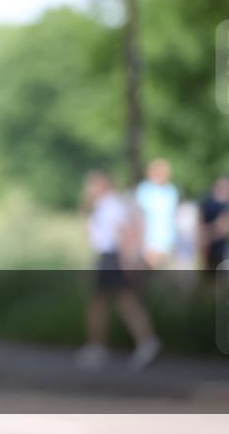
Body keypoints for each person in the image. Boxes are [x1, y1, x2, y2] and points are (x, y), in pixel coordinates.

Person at [76, 170, 161, 372]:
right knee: (110, 302)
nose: (89, 189)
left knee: (119, 302)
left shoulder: (112, 205)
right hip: (110, 257)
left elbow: (125, 233)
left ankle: (141, 342)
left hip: (113, 257)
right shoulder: (106, 204)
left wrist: (128, 261)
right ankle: (140, 342)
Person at [135, 158, 179, 268]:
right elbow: (139, 216)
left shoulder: (172, 190)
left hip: (167, 239)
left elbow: (173, 216)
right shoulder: (145, 189)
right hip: (149, 240)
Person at [199, 176, 229, 270]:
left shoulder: (207, 203)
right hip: (217, 248)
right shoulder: (222, 206)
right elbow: (223, 227)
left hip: (218, 247)